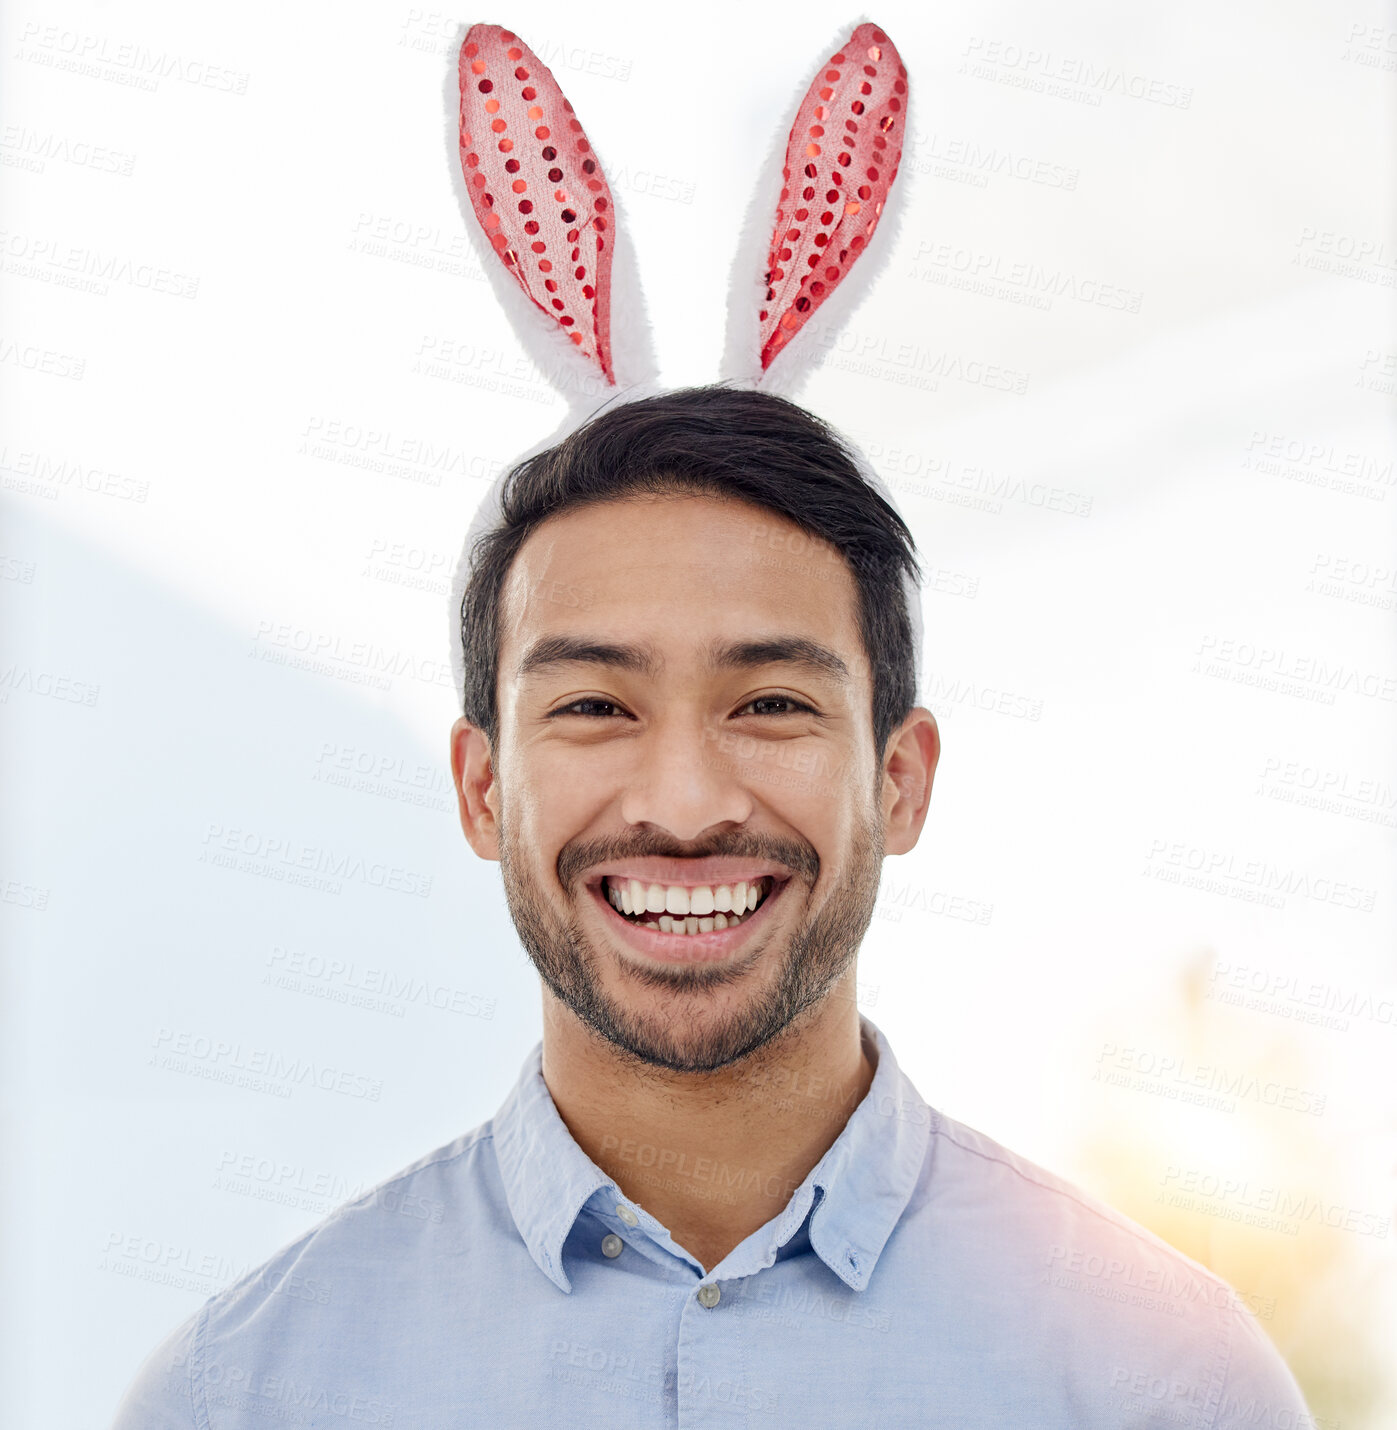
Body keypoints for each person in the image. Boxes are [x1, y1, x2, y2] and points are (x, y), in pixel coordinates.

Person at [111, 386, 1313, 1427]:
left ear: (898, 780)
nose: (683, 806)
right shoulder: (242, 1397)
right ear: (483, 788)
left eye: (771, 702)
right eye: (592, 706)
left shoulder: (1167, 1386)